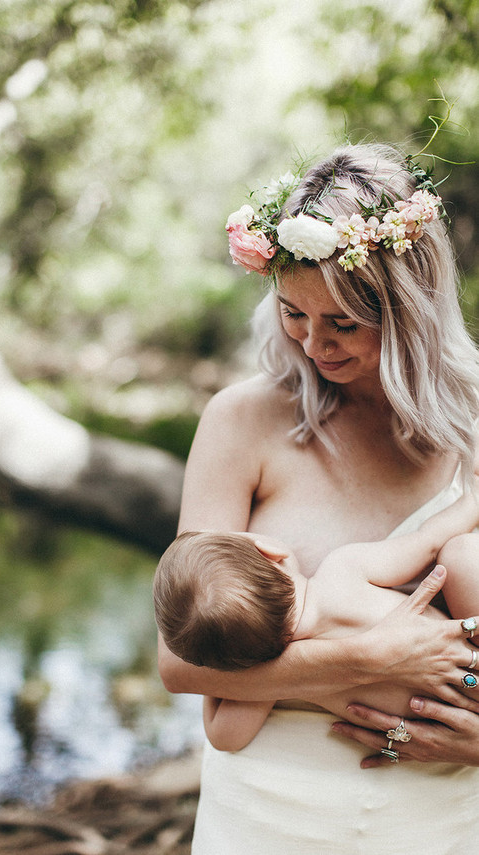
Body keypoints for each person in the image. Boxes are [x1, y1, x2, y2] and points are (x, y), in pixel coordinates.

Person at [156, 142, 479, 853]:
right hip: (268, 817)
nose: (312, 343)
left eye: (342, 321)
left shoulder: (475, 431)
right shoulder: (241, 422)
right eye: (292, 312)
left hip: (437, 817)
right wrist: (369, 664)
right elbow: (180, 660)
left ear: (410, 304)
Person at [154, 495, 479, 751]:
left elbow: (223, 737)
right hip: (467, 656)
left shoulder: (277, 684)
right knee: (461, 552)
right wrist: (472, 498)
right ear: (269, 550)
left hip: (454, 720)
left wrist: (236, 667)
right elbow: (431, 541)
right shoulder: (343, 570)